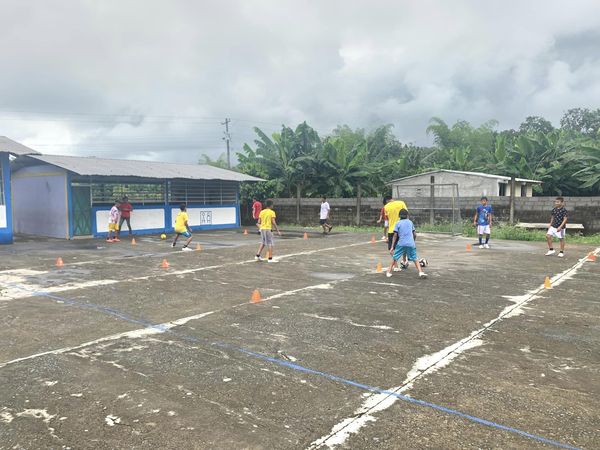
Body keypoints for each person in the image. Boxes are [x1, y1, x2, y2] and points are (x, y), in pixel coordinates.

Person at [386, 209, 427, 279]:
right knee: (415, 258)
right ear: (407, 215)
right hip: (410, 243)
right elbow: (415, 234)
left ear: (399, 216)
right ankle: (420, 272)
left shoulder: (398, 223)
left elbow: (395, 235)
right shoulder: (410, 222)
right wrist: (412, 242)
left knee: (395, 257)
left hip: (401, 243)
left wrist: (392, 246)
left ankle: (388, 272)